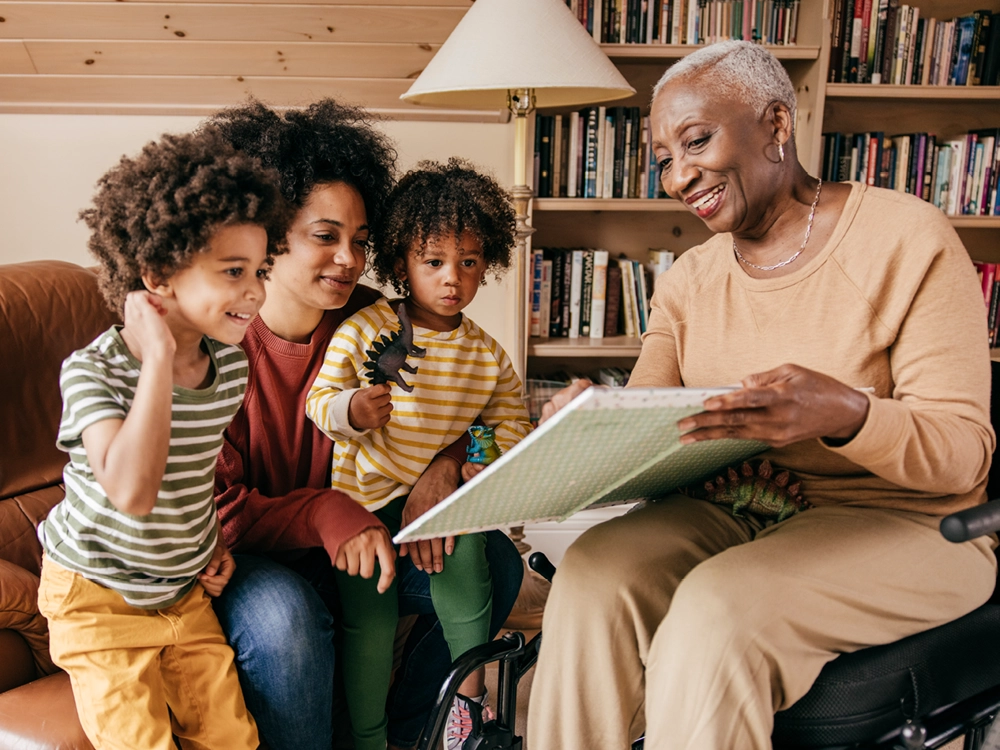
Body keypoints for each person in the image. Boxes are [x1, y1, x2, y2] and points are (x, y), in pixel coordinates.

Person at [527, 40, 997, 750]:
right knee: (592, 573)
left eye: (696, 141)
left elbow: (964, 456)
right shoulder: (689, 278)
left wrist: (849, 414)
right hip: (743, 503)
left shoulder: (907, 238)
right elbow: (646, 430)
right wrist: (590, 422)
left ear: (776, 125)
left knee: (717, 611)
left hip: (905, 522)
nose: (678, 176)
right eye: (663, 158)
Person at [205, 100, 524, 750]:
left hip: (366, 534)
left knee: (494, 559)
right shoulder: (213, 346)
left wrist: (444, 467)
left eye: (360, 239)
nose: (348, 258)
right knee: (286, 619)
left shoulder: (378, 320)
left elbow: (454, 405)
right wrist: (324, 512)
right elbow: (218, 512)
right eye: (325, 236)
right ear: (268, 233)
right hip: (258, 557)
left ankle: (412, 734)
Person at [36, 127, 288, 749]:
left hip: (181, 593)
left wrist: (205, 543)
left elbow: (187, 474)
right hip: (97, 597)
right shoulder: (93, 371)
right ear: (158, 276)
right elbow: (133, 491)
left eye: (260, 269)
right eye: (233, 271)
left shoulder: (229, 368)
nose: (256, 290)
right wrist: (156, 360)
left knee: (234, 740)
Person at [305, 158, 532, 750]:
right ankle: (370, 739)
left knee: (469, 565)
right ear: (402, 262)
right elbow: (320, 402)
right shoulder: (363, 330)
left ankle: (469, 705)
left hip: (439, 506)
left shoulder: (487, 355)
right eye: (433, 262)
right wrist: (351, 411)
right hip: (363, 506)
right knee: (370, 630)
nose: (451, 278)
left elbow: (510, 421)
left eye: (469, 262)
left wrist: (480, 459)